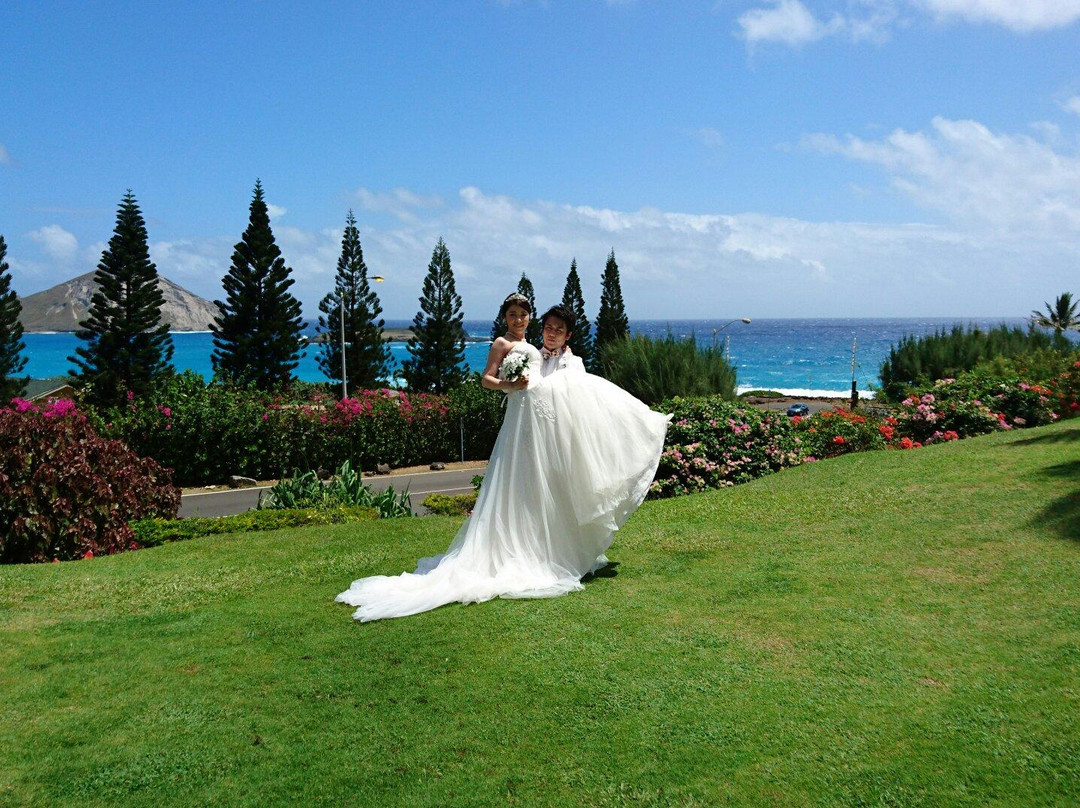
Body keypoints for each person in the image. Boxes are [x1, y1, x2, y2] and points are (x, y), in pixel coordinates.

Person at [336, 292, 669, 622]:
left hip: (547, 432)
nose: (526, 322)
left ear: (563, 333)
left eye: (527, 316)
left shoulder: (562, 358)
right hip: (523, 427)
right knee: (518, 487)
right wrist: (511, 385)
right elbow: (492, 379)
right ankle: (520, 551)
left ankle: (550, 548)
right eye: (518, 316)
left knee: (546, 490)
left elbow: (565, 390)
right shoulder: (513, 346)